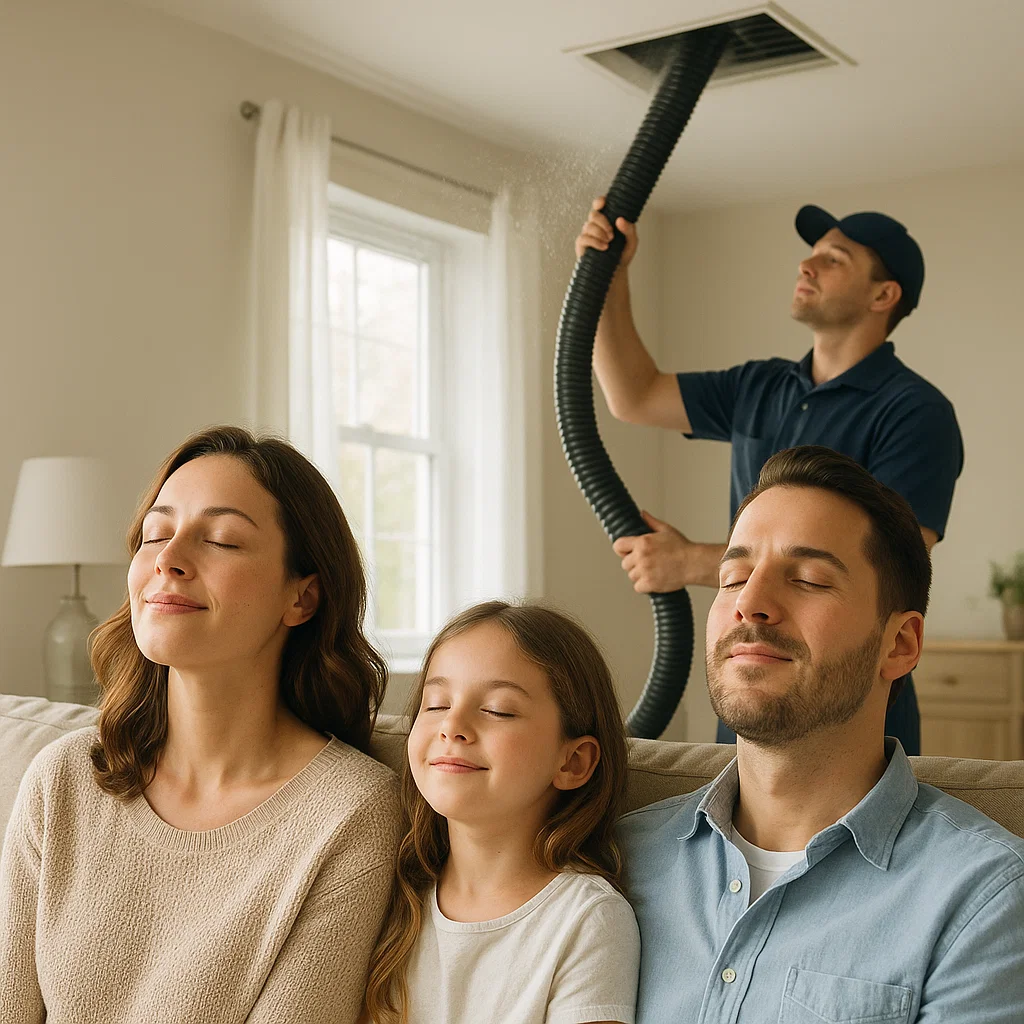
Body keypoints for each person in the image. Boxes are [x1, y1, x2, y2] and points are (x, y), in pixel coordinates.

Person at [0, 426, 401, 1024]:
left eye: (221, 540)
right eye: (155, 534)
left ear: (302, 598)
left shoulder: (352, 812)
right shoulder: (63, 780)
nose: (167, 558)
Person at [618, 445, 1024, 1023]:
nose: (750, 604)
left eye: (808, 579)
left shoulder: (985, 897)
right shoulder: (613, 858)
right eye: (732, 578)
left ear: (900, 644)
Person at [575, 198, 964, 752]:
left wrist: (689, 561)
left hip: (847, 700)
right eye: (811, 255)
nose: (807, 266)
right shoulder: (760, 386)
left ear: (884, 295)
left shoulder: (914, 411)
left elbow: (894, 563)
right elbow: (633, 394)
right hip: (752, 674)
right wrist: (609, 279)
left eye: (834, 259)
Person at [364, 600, 640, 1024]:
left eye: (497, 710)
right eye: (435, 703)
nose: (451, 725)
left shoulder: (587, 919)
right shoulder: (389, 892)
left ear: (573, 762)